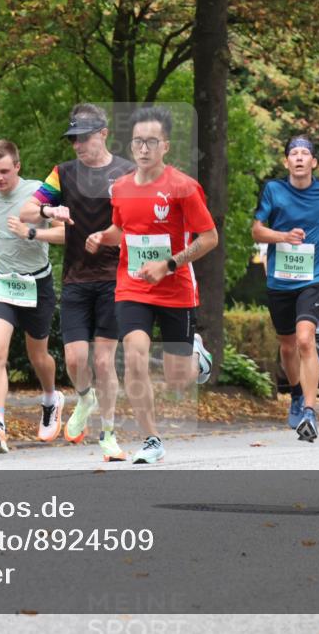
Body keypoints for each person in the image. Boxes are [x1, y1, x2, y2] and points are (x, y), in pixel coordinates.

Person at [86, 106, 218, 465]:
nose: (143, 148)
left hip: (176, 289)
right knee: (134, 355)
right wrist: (102, 236)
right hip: (133, 287)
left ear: (165, 147)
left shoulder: (184, 188)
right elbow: (120, 230)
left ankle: (196, 355)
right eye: (137, 142)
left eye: (151, 142)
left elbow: (209, 238)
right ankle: (151, 439)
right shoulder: (122, 187)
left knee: (178, 379)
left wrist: (170, 263)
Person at [14, 103, 136, 462]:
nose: (77, 146)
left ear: (103, 133)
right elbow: (26, 211)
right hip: (76, 279)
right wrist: (51, 211)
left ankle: (109, 435)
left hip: (115, 279)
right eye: (73, 140)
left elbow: (142, 224)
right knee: (74, 358)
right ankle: (85, 398)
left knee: (103, 361)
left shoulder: (128, 174)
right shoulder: (63, 174)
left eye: (83, 138)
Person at [0, 139, 65, 455]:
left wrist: (31, 232)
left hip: (37, 282)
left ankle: (51, 398)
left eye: (5, 171)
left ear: (18, 167)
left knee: (38, 356)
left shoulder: (39, 192)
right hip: (3, 282)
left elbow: (66, 233)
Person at [251, 136, 319, 443]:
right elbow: (257, 229)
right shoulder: (274, 190)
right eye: (294, 153)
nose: (299, 157)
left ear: (314, 162)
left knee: (305, 340)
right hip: (280, 281)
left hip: (313, 278)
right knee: (287, 345)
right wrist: (282, 236)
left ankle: (310, 412)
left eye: (305, 153)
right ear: (287, 162)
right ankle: (296, 393)